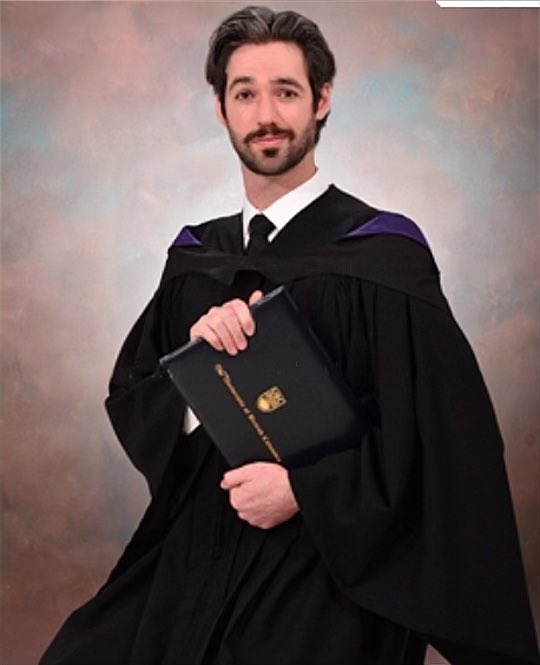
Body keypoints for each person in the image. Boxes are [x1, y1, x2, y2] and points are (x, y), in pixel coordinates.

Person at [40, 6, 539, 665]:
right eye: (245, 93)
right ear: (221, 108)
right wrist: (200, 371)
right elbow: (136, 397)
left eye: (286, 91)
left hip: (330, 564)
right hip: (200, 545)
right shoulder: (197, 258)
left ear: (321, 100)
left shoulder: (384, 255)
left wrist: (306, 492)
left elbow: (441, 439)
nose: (265, 114)